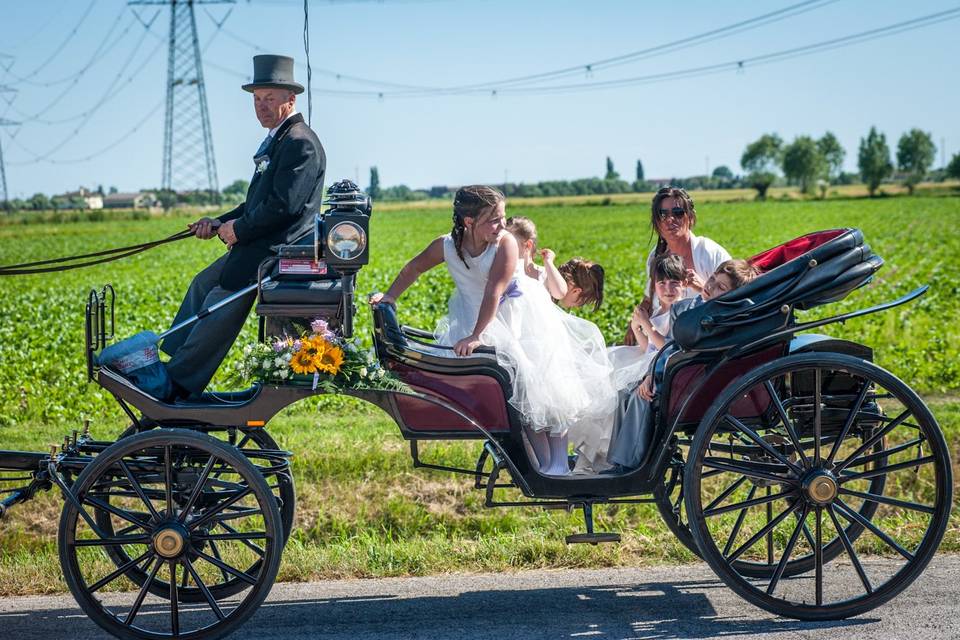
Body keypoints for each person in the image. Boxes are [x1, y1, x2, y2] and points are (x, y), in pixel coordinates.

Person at [370, 186, 617, 476]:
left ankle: (559, 461)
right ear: (469, 221)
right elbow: (413, 268)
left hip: (518, 317)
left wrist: (476, 335)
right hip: (477, 315)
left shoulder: (505, 243)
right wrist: (389, 296)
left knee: (542, 385)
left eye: (502, 217)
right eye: (494, 220)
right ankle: (543, 464)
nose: (502, 226)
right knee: (516, 393)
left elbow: (495, 291)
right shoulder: (446, 246)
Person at [160, 55, 326, 401]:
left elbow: (285, 207)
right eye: (256, 99)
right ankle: (169, 363)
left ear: (290, 100)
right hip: (260, 241)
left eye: (269, 99)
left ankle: (179, 384)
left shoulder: (299, 142)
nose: (262, 107)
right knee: (202, 282)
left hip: (276, 250)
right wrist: (220, 222)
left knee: (220, 302)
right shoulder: (280, 140)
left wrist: (239, 230)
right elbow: (256, 205)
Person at [605, 259, 760, 473]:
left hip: (688, 380)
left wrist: (654, 376)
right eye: (713, 279)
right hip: (668, 369)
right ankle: (617, 460)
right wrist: (650, 373)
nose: (711, 285)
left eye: (721, 287)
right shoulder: (690, 306)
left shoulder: (718, 320)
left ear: (732, 296)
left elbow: (682, 353)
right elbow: (668, 349)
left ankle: (631, 467)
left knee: (641, 398)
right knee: (624, 393)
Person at [634, 187, 731, 328]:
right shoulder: (655, 257)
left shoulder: (710, 253)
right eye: (663, 214)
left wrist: (703, 287)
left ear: (690, 217)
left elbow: (735, 301)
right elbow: (649, 299)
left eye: (678, 213)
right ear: (657, 222)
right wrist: (634, 325)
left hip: (706, 334)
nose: (670, 219)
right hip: (663, 338)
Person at [505, 216, 569, 301]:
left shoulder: (543, 274)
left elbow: (560, 293)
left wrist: (548, 262)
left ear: (528, 245)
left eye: (509, 244)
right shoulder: (504, 273)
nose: (503, 248)